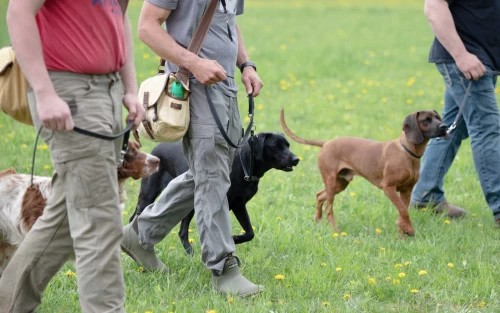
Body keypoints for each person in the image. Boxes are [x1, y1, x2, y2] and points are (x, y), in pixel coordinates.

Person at [0, 0, 144, 312]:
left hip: (106, 89)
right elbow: (19, 12)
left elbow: (119, 15)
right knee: (101, 223)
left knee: (62, 218)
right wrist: (45, 92)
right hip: (68, 89)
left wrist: (130, 88)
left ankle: (8, 304)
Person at [121, 0, 264, 297]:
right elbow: (147, 27)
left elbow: (228, 25)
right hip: (194, 88)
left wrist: (246, 65)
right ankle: (224, 269)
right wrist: (194, 63)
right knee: (211, 177)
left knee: (207, 174)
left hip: (225, 89)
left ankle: (138, 235)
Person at [410, 0, 500, 226]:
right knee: (487, 130)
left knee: (451, 129)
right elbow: (433, 6)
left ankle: (426, 195)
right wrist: (462, 56)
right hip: (467, 62)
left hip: (484, 60)